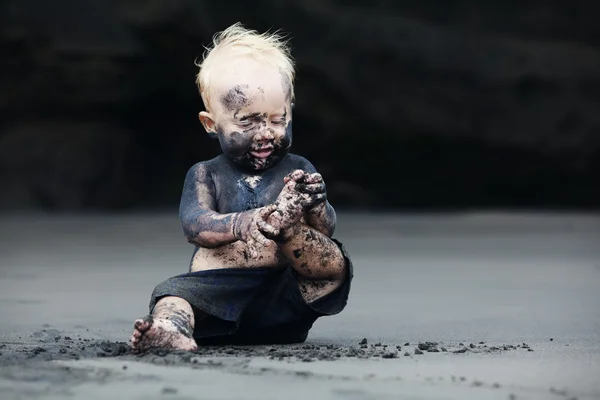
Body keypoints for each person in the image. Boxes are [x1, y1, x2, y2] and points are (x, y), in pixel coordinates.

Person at [130, 22, 353, 352]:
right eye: (247, 121)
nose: (265, 133)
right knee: (172, 295)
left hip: (285, 295)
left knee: (335, 265)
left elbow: (325, 228)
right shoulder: (207, 174)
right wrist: (243, 222)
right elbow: (195, 225)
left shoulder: (299, 169)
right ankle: (170, 329)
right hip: (217, 294)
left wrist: (317, 204)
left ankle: (286, 227)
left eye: (277, 120)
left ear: (290, 111)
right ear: (211, 123)